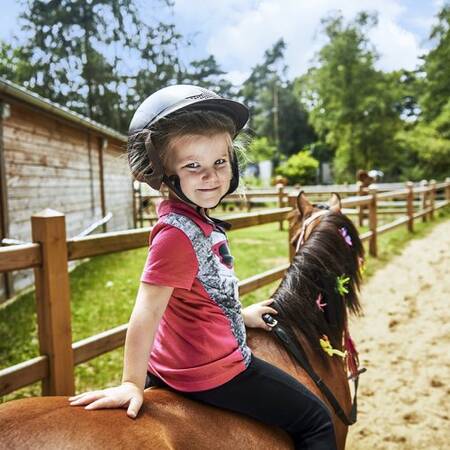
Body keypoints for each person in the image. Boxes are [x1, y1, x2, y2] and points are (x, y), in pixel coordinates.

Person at [68, 84, 336, 450]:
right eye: (193, 166)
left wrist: (240, 315)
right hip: (213, 372)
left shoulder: (194, 223)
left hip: (176, 360)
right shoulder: (177, 237)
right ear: (164, 173)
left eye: (219, 162)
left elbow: (199, 296)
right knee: (318, 421)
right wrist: (131, 382)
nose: (210, 176)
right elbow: (146, 312)